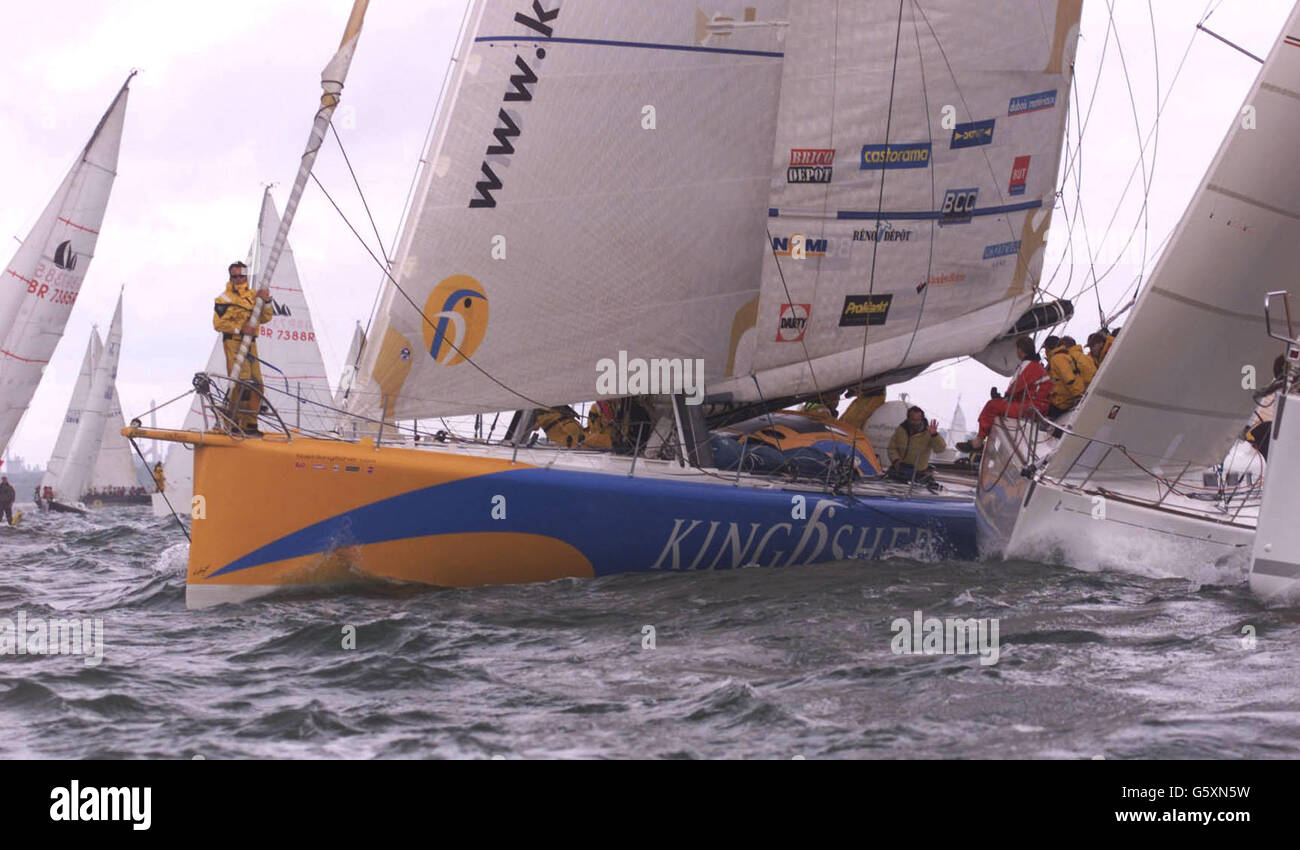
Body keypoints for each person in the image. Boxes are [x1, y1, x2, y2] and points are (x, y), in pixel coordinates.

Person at [957, 335, 1050, 455]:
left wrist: (1001, 397)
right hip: (1038, 408)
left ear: (1020, 350)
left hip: (1029, 408)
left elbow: (1015, 386)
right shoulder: (1039, 367)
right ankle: (987, 439)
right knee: (997, 406)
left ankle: (978, 442)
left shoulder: (1027, 365)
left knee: (992, 406)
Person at [213, 261, 273, 434]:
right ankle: (233, 422)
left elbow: (266, 317)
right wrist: (240, 329)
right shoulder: (223, 299)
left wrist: (266, 300)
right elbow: (218, 324)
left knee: (257, 384)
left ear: (246, 276)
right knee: (242, 383)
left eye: (241, 276)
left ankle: (250, 424)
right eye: (235, 276)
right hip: (233, 342)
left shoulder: (254, 296)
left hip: (251, 344)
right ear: (230, 277)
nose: (239, 279)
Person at [886, 406, 945, 490]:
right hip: (899, 472)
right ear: (908, 418)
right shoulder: (900, 430)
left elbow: (940, 449)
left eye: (918, 420)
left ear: (922, 419)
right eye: (913, 420)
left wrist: (934, 435)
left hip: (919, 474)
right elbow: (892, 448)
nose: (915, 423)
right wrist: (896, 460)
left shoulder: (929, 432)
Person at [1043, 335, 1087, 418]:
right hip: (1065, 399)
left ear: (1048, 349)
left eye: (1045, 349)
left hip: (1062, 402)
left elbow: (1069, 378)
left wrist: (1078, 396)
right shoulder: (1062, 356)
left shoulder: (1057, 359)